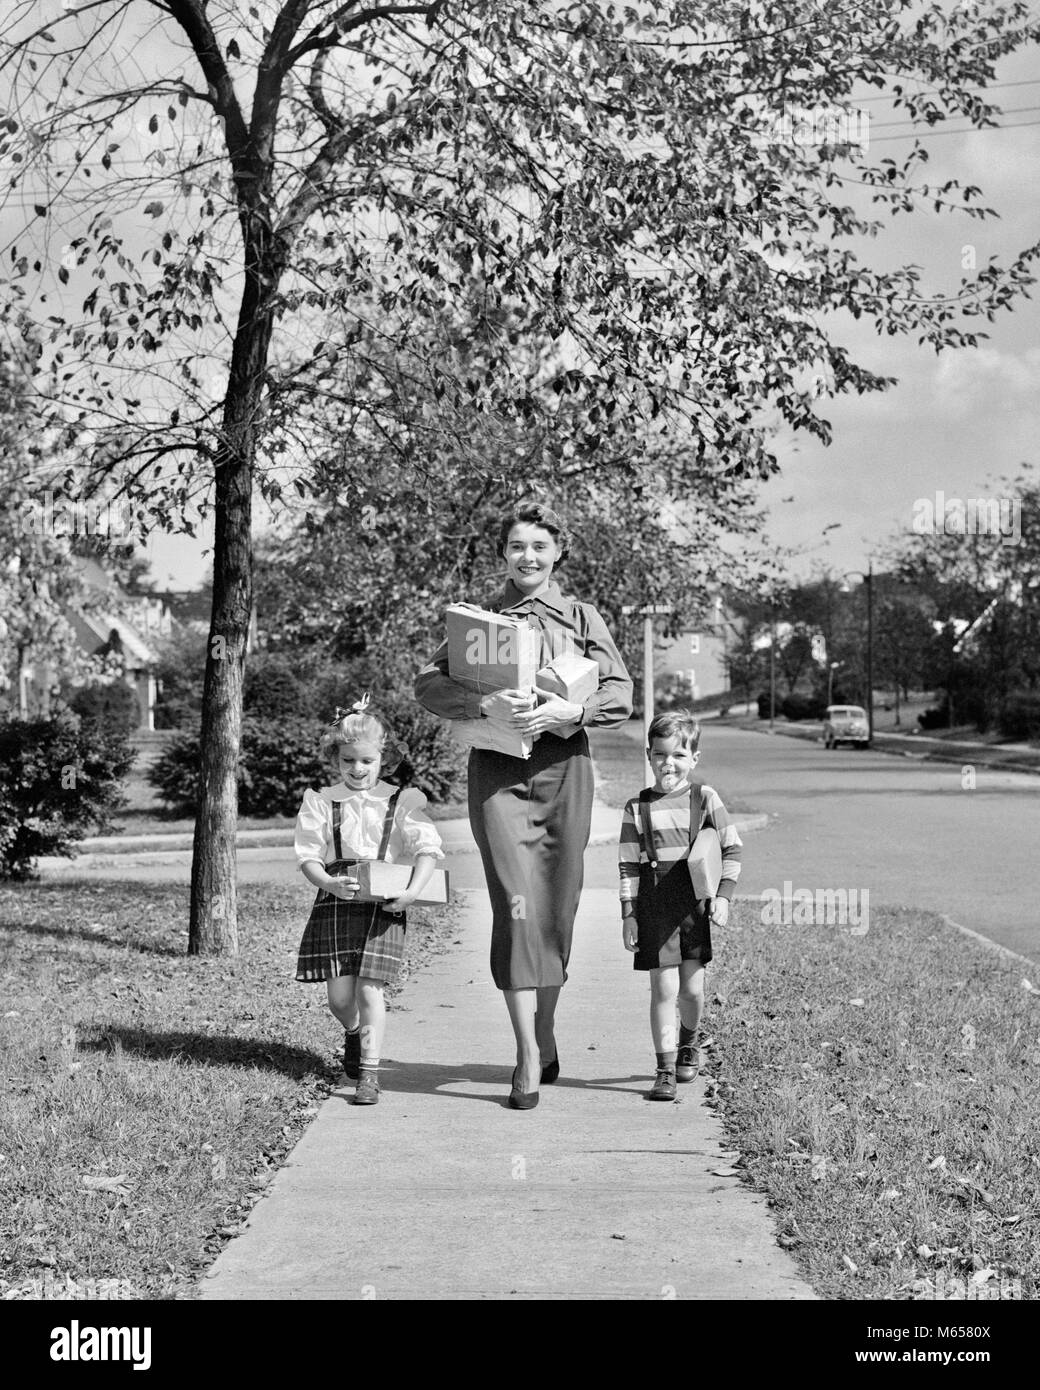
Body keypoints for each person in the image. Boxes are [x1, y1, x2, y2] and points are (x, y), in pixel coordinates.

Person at [415, 500, 633, 1109]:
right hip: (498, 774)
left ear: (558, 551)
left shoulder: (584, 617)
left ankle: (546, 1025)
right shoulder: (480, 622)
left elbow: (621, 692)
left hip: (566, 771)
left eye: (539, 546)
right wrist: (480, 705)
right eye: (516, 546)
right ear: (503, 553)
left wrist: (574, 710)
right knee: (515, 908)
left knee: (556, 910)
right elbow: (427, 683)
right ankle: (526, 1054)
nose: (527, 557)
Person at [294, 697, 445, 1106]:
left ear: (384, 759)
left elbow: (428, 849)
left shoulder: (402, 800)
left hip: (383, 906)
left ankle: (369, 1074)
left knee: (370, 991)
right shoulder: (322, 800)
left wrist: (412, 891)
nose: (357, 769)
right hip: (337, 901)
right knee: (340, 999)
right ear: (336, 759)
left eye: (366, 761)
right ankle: (354, 1032)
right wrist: (329, 881)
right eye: (348, 761)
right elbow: (308, 856)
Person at [619, 710, 743, 1101]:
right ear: (648, 755)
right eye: (659, 755)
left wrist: (722, 896)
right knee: (663, 989)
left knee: (691, 989)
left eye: (676, 755)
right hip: (655, 907)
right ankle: (665, 1068)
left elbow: (732, 846)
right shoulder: (636, 808)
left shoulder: (704, 798)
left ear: (694, 758)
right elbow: (626, 865)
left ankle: (689, 1042)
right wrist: (629, 915)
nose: (667, 763)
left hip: (693, 907)